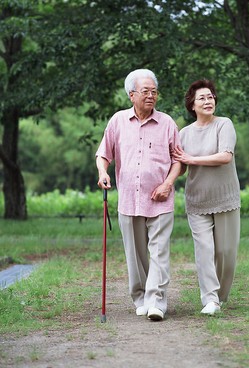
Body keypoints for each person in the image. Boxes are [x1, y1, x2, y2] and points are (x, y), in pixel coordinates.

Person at [95, 69, 181, 321]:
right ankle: (140, 296)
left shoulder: (167, 123)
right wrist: (103, 172)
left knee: (159, 251)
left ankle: (156, 301)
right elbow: (103, 154)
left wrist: (167, 184)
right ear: (131, 94)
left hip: (161, 200)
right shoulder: (118, 121)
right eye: (145, 91)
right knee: (135, 255)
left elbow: (178, 160)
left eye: (154, 92)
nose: (151, 96)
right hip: (129, 201)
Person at [173, 79, 241, 315]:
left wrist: (192, 160)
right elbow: (180, 167)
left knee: (225, 253)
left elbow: (225, 156)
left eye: (211, 96)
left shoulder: (224, 125)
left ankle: (220, 297)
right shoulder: (183, 133)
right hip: (197, 200)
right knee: (204, 251)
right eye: (202, 97)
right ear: (192, 104)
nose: (208, 100)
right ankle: (210, 299)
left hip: (225, 199)